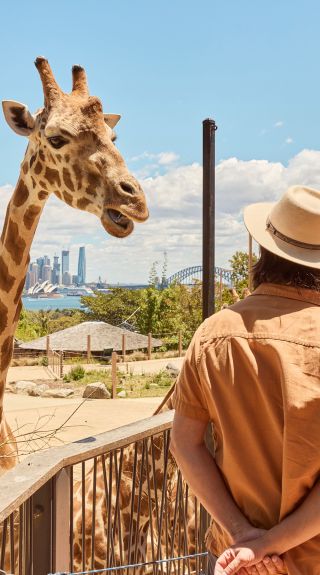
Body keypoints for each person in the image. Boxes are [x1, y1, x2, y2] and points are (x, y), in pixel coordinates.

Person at [170, 185, 320, 575]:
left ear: (262, 253)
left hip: (233, 559)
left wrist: (244, 538)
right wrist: (270, 544)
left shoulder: (213, 333)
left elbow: (185, 444)